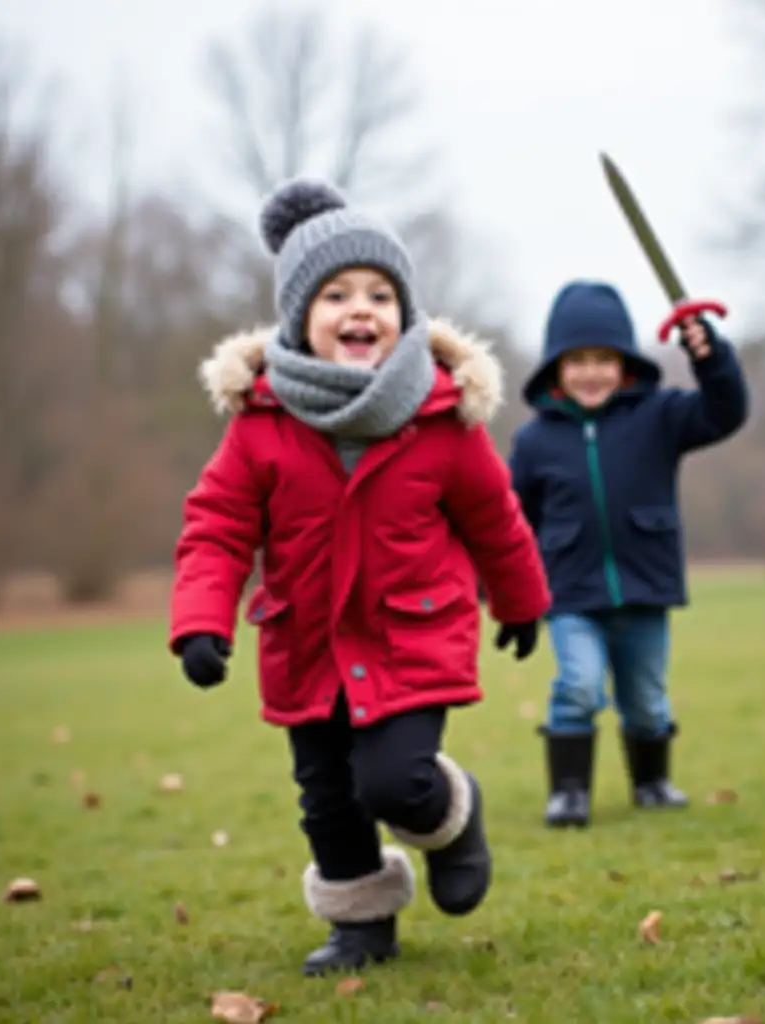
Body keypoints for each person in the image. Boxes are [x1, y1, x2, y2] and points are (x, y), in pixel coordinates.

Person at [168, 179, 551, 975]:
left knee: (392, 780)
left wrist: (520, 600)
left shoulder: (442, 418)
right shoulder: (262, 426)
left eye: (380, 293)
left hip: (412, 635)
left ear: (404, 314)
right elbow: (217, 527)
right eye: (336, 293)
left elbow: (495, 519)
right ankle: (362, 926)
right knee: (328, 797)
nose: (360, 309)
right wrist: (201, 619)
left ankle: (455, 812)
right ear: (300, 317)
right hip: (306, 643)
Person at [508, 280, 748, 828]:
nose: (590, 372)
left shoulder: (660, 417)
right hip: (570, 592)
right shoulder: (535, 441)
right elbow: (512, 520)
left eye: (603, 359)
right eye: (577, 361)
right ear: (555, 369)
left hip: (644, 587)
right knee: (578, 685)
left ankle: (652, 782)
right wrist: (505, 591)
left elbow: (726, 411)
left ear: (625, 363)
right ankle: (568, 792)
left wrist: (711, 358)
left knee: (646, 701)